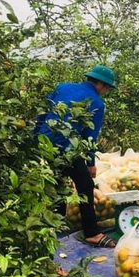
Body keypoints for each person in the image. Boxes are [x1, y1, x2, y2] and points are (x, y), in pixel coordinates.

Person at [35, 65, 117, 248]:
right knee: (85, 185)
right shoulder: (96, 102)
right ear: (101, 85)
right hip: (65, 147)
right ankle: (92, 233)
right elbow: (90, 136)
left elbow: (42, 112)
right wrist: (91, 164)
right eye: (107, 88)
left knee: (56, 182)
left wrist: (34, 139)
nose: (106, 92)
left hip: (43, 142)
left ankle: (55, 224)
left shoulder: (63, 87)